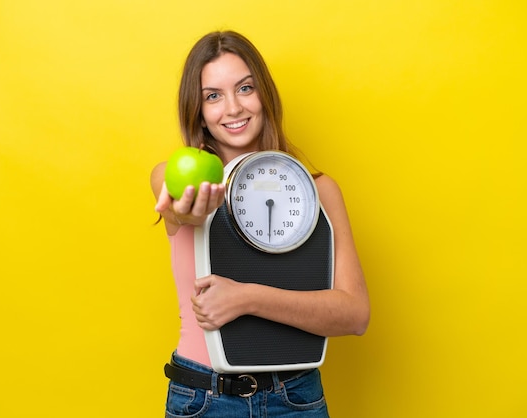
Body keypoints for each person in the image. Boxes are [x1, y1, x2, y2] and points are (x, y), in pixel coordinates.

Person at [151, 30, 369, 417]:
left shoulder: (321, 191)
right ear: (198, 111)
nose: (232, 108)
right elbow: (182, 211)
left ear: (265, 94)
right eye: (213, 96)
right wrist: (190, 212)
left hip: (297, 400)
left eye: (245, 88)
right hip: (204, 399)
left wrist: (247, 298)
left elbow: (355, 315)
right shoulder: (178, 177)